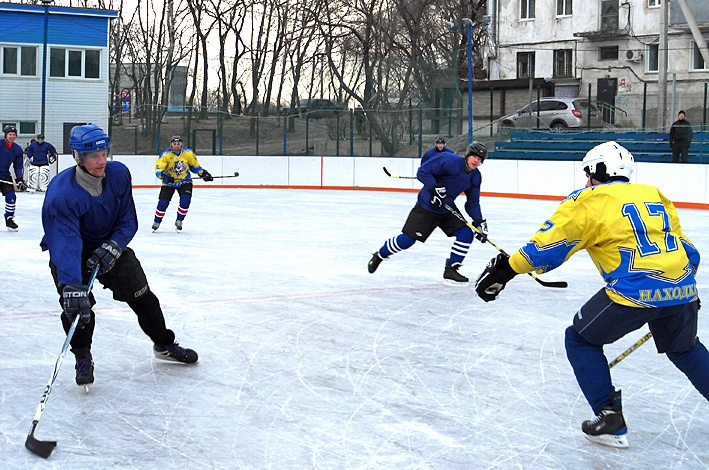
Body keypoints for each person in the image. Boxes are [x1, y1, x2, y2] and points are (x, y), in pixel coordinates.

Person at [474, 141, 706, 448]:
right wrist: (682, 291)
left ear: (599, 170)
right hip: (683, 287)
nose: (586, 180)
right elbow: (689, 251)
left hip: (634, 293)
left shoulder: (589, 199)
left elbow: (547, 248)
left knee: (580, 338)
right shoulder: (654, 194)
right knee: (686, 349)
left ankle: (609, 419)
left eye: (588, 173)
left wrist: (507, 270)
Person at [41, 124, 198, 388]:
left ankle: (164, 344)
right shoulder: (61, 194)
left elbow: (128, 219)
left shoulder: (119, 174)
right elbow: (64, 241)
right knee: (77, 307)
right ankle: (82, 356)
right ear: (78, 157)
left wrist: (114, 245)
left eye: (104, 153)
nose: (101, 161)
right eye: (93, 156)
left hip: (111, 246)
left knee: (144, 298)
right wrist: (71, 284)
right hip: (71, 253)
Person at [368, 141, 489, 285]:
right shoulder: (448, 160)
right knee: (407, 240)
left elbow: (472, 203)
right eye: (474, 156)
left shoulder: (475, 176)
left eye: (480, 159)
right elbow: (423, 172)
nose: (476, 161)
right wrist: (435, 187)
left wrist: (479, 222)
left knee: (466, 234)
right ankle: (380, 255)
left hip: (447, 208)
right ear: (468, 155)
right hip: (427, 206)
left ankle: (451, 270)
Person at [152, 135, 213, 232]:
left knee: (185, 200)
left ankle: (179, 220)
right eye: (174, 144)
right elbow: (158, 169)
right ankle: (157, 221)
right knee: (163, 203)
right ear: (171, 145)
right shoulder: (165, 155)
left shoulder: (188, 153)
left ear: (181, 145)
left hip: (185, 181)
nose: (176, 146)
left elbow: (195, 166)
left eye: (178, 144)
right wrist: (164, 175)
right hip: (169, 182)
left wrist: (203, 173)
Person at [0, 125, 27, 231]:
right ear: (5, 135)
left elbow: (18, 166)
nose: (12, 136)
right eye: (10, 134)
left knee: (11, 197)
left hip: (5, 175)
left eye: (13, 135)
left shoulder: (17, 149)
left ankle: (9, 218)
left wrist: (19, 179)